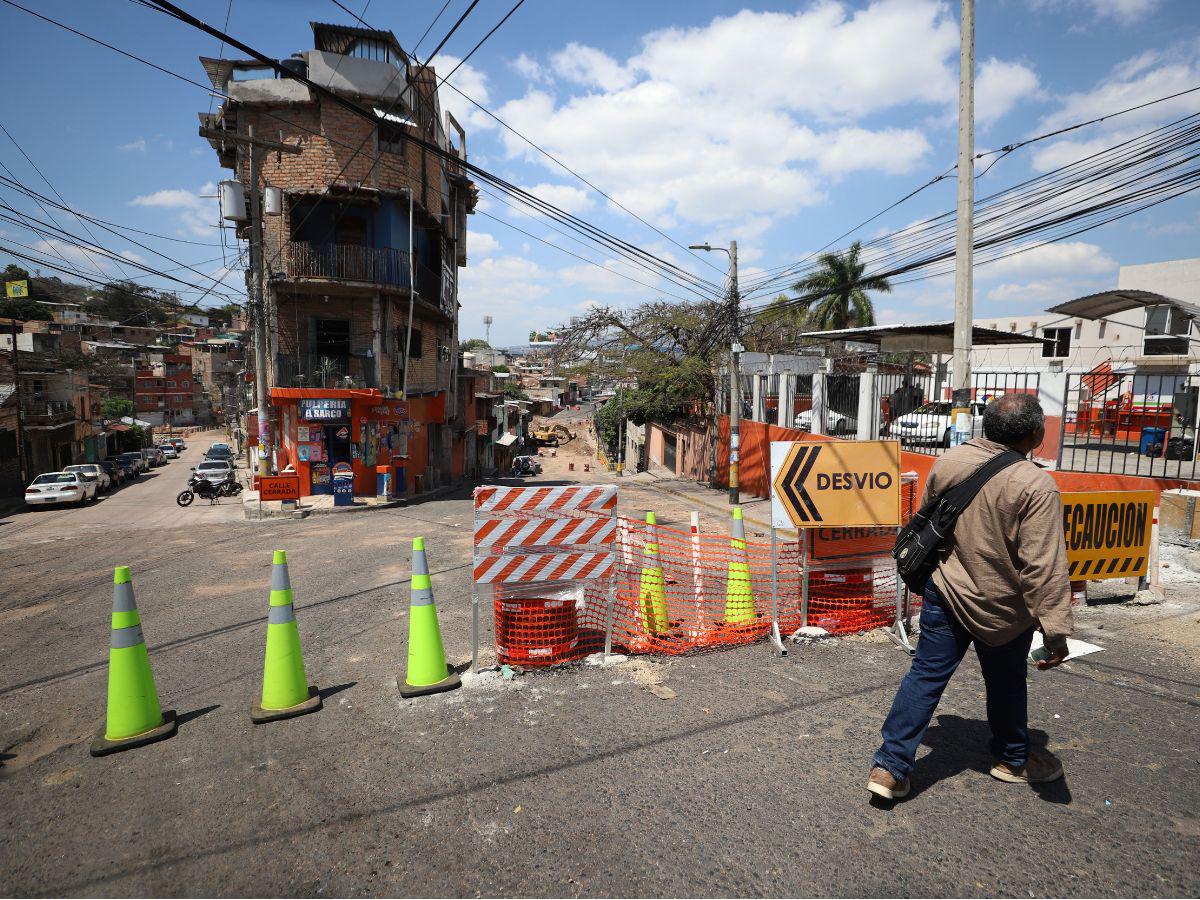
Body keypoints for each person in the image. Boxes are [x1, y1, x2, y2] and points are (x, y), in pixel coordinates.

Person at [868, 394, 1072, 800]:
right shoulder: (1035, 484)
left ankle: (889, 768)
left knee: (925, 676)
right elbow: (1043, 566)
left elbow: (929, 521)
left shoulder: (950, 462)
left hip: (944, 591)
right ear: (1035, 435)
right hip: (1002, 609)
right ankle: (1012, 759)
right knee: (1007, 681)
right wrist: (1056, 631)